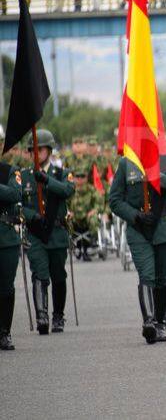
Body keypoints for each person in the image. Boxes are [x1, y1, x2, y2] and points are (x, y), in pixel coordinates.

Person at [109, 152, 166, 344]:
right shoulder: (126, 164)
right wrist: (135, 215)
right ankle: (149, 322)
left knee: (162, 277)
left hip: (163, 227)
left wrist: (156, 176)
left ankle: (160, 323)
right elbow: (115, 201)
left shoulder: (165, 161)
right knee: (147, 274)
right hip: (138, 228)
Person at [20, 130, 74, 335]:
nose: (36, 153)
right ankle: (41, 315)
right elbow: (17, 203)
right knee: (40, 273)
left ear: (49, 150)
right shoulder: (23, 176)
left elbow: (68, 191)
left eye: (40, 149)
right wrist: (31, 215)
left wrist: (47, 181)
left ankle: (58, 316)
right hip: (35, 233)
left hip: (57, 232)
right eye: (32, 150)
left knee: (58, 275)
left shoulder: (61, 174)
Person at [0, 145, 23, 350]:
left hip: (5, 237)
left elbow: (15, 194)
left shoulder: (9, 171)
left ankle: (4, 332)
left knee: (6, 287)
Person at [70, 165, 104, 262]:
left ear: (86, 178)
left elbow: (99, 204)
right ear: (74, 178)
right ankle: (71, 242)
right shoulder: (70, 189)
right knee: (67, 219)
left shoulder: (92, 189)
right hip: (75, 218)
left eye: (82, 177)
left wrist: (94, 210)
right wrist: (69, 212)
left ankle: (93, 241)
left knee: (94, 218)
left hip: (87, 218)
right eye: (77, 177)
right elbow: (65, 204)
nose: (80, 179)